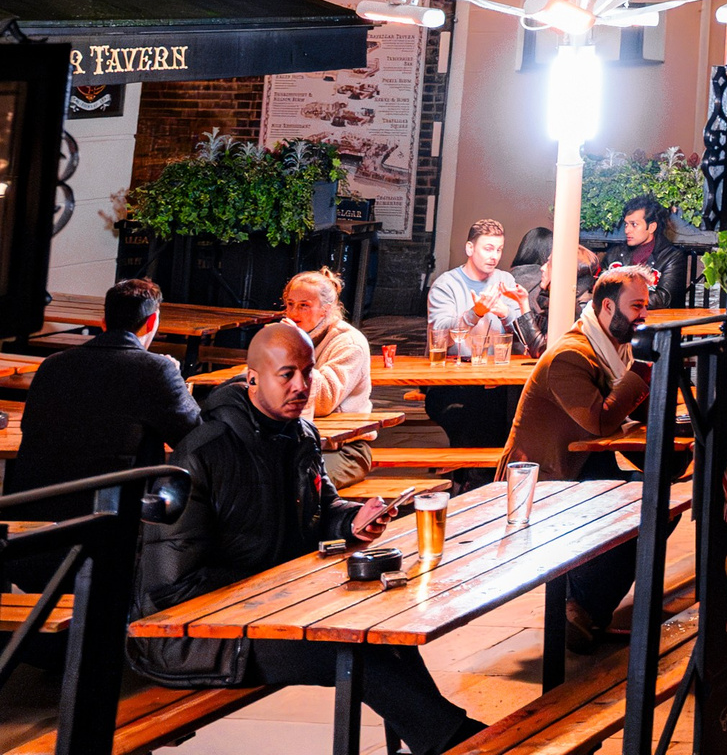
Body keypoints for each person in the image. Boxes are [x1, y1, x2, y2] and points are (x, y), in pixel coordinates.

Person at [130, 320, 480, 752]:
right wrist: (278, 591)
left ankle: (448, 741)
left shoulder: (300, 434)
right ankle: (465, 743)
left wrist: (352, 521)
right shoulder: (202, 453)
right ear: (252, 378)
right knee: (354, 652)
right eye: (287, 374)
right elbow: (171, 589)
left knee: (387, 635)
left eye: (308, 372)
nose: (301, 386)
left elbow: (322, 510)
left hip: (272, 613)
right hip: (193, 636)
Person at [2, 278, 199, 580]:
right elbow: (196, 436)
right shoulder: (156, 370)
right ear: (152, 322)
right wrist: (175, 379)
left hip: (32, 535)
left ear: (103, 322)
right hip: (104, 539)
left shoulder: (52, 365)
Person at [502, 265, 654, 651]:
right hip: (544, 478)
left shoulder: (613, 348)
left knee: (656, 502)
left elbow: (630, 411)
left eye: (645, 306)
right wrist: (641, 370)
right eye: (636, 306)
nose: (644, 315)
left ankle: (586, 605)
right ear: (607, 307)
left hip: (584, 463)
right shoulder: (570, 356)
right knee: (644, 506)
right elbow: (600, 421)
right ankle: (582, 604)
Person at [281, 267, 373, 483]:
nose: (293, 313)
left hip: (343, 448)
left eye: (304, 306)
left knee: (295, 480)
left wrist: (296, 350)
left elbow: (324, 402)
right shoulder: (288, 337)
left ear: (325, 310)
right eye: (290, 304)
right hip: (293, 441)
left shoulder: (349, 343)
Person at [427, 220, 531, 353]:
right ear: (470, 248)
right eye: (488, 249)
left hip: (495, 364)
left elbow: (524, 339)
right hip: (454, 364)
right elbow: (439, 338)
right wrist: (475, 313)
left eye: (499, 250)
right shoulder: (446, 284)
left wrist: (505, 313)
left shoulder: (505, 281)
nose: (494, 257)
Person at [617, 194, 691, 309]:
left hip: (655, 319)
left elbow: (663, 299)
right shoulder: (616, 254)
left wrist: (622, 301)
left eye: (634, 224)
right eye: (626, 224)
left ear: (651, 227)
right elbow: (599, 290)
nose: (627, 230)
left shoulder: (671, 257)